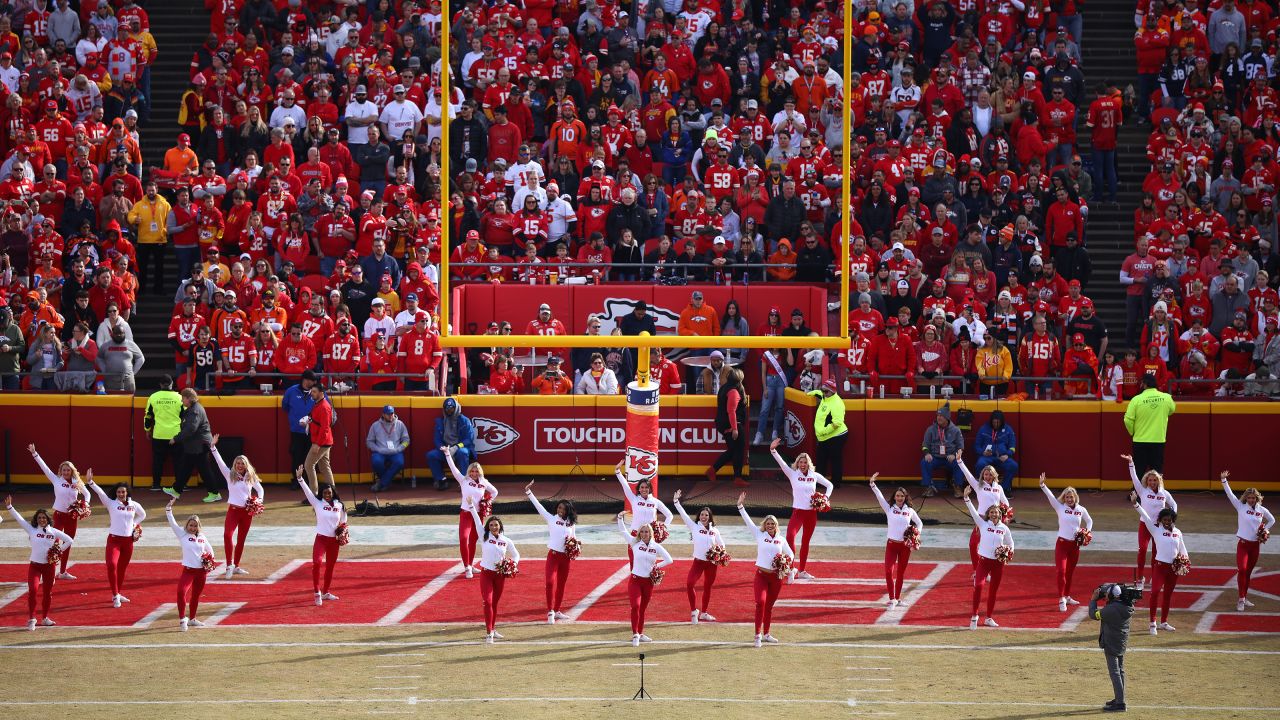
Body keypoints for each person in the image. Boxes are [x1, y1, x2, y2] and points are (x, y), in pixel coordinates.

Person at [5, 495, 74, 630]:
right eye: (39, 518)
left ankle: (45, 618)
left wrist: (58, 550)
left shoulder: (54, 531)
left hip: (49, 567)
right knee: (33, 590)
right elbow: (20, 519)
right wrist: (10, 507)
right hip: (35, 566)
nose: (42, 519)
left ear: (48, 519)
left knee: (47, 593)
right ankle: (31, 619)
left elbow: (70, 540)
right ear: (36, 519)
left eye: (44, 517)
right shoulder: (31, 529)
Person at [769, 438, 833, 581]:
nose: (803, 464)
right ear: (797, 463)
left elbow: (830, 485)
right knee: (790, 537)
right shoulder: (793, 474)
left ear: (808, 464)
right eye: (800, 462)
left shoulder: (814, 476)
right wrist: (773, 450)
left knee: (806, 541)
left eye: (805, 462)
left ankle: (802, 570)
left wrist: (824, 498)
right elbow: (782, 463)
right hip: (798, 512)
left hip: (811, 513)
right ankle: (791, 569)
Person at [737, 491, 796, 647]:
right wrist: (740, 506)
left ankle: (767, 633)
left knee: (769, 606)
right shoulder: (759, 534)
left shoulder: (781, 539)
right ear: (765, 525)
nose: (770, 526)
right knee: (760, 603)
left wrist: (786, 563)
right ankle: (757, 635)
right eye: (768, 523)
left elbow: (790, 554)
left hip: (776, 577)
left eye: (773, 524)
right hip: (762, 575)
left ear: (776, 526)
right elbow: (748, 522)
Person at [28, 443, 89, 579]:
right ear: (61, 471)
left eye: (68, 470)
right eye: (64, 470)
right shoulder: (56, 480)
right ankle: (48, 569)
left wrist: (85, 504)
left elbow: (87, 494)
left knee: (68, 543)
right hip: (58, 516)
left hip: (72, 517)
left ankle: (62, 572)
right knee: (53, 542)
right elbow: (45, 468)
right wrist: (35, 454)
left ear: (72, 471)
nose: (66, 472)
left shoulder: (76, 482)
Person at [85, 471, 145, 608]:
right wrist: (90, 482)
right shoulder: (111, 503)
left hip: (128, 542)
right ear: (116, 493)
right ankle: (115, 595)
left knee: (122, 569)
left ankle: (118, 592)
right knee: (112, 565)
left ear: (127, 492)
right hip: (114, 541)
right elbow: (101, 493)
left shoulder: (134, 505)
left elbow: (143, 514)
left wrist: (134, 525)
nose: (121, 494)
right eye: (119, 492)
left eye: (123, 492)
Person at [1132, 494, 1188, 635]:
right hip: (1160, 567)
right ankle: (1152, 623)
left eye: (1169, 520)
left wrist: (1185, 562)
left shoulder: (1178, 533)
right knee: (1155, 592)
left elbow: (1183, 549)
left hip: (1173, 569)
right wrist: (1136, 504)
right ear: (1160, 520)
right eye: (1164, 520)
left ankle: (1164, 622)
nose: (1167, 522)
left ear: (1173, 519)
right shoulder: (1156, 530)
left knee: (1168, 595)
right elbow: (1144, 515)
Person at [524, 480, 578, 624]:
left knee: (561, 585)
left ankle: (557, 610)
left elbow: (574, 539)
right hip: (553, 556)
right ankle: (550, 611)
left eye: (563, 508)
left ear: (567, 510)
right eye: (559, 507)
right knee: (549, 582)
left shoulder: (571, 524)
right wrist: (529, 492)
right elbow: (539, 506)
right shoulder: (551, 518)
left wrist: (576, 548)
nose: (560, 510)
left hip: (565, 558)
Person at [211, 435, 264, 579]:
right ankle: (229, 565)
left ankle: (237, 566)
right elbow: (219, 462)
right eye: (238, 463)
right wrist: (213, 447)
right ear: (235, 464)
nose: (240, 465)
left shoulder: (250, 476)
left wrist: (258, 501)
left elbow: (260, 490)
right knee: (227, 535)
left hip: (247, 512)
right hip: (233, 511)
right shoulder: (229, 475)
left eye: (242, 463)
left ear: (246, 465)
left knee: (241, 540)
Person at [1221, 471, 1275, 611]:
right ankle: (1240, 599)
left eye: (1253, 498)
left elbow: (1272, 520)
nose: (1251, 500)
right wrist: (1224, 480)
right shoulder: (1241, 506)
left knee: (1248, 572)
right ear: (1246, 498)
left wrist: (1265, 531)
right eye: (1249, 497)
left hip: (1255, 546)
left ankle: (1244, 597)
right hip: (1243, 545)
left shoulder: (1262, 510)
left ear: (1257, 498)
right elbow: (1230, 495)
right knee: (1242, 570)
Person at [468, 497, 520, 643]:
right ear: (488, 527)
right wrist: (471, 505)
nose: (493, 527)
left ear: (500, 526)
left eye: (496, 525)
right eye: (491, 525)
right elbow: (477, 521)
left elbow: (516, 554)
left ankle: (492, 628)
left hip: (500, 575)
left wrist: (513, 564)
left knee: (495, 603)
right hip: (486, 574)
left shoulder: (506, 540)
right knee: (488, 602)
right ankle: (489, 633)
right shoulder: (484, 536)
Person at [963, 483, 1014, 629]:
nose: (994, 514)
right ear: (988, 514)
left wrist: (1009, 552)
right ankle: (974, 616)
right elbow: (973, 511)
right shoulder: (982, 524)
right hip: (984, 562)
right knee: (978, 586)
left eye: (996, 512)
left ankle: (989, 618)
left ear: (1000, 514)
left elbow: (1010, 542)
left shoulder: (1004, 528)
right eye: (991, 512)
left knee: (993, 591)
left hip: (998, 563)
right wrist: (966, 498)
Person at [618, 510, 673, 647]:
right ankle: (635, 634)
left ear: (650, 533)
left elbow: (669, 560)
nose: (643, 534)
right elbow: (623, 532)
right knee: (635, 606)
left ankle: (641, 633)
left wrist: (656, 566)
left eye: (646, 532)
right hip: (635, 581)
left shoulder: (656, 546)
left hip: (648, 582)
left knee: (642, 609)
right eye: (641, 532)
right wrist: (620, 518)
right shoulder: (635, 543)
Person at [1040, 474, 1094, 611]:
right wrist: (1043, 485)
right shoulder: (1060, 507)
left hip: (1075, 546)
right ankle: (1061, 598)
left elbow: (1089, 520)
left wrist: (1086, 532)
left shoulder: (1081, 509)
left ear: (1075, 497)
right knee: (1061, 571)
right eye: (1067, 497)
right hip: (1062, 544)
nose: (1070, 499)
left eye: (1072, 497)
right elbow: (1050, 497)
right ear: (1064, 498)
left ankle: (1068, 595)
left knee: (1070, 572)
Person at [869, 473, 923, 608]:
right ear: (894, 497)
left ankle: (897, 599)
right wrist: (872, 484)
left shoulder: (909, 510)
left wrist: (916, 535)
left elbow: (920, 523)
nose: (899, 498)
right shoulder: (889, 508)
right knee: (888, 571)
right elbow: (880, 497)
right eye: (897, 496)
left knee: (901, 573)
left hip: (905, 546)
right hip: (892, 545)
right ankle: (892, 598)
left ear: (905, 497)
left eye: (902, 496)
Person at [673, 488, 725, 625]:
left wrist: (719, 554)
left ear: (710, 517)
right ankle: (693, 611)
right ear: (699, 516)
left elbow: (722, 545)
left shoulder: (715, 531)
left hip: (712, 564)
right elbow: (683, 514)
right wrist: (676, 501)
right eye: (702, 515)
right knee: (690, 584)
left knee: (708, 587)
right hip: (698, 562)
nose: (704, 517)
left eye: (706, 515)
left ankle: (705, 613)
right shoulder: (694, 526)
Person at [1124, 453, 1177, 588]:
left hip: (1159, 527)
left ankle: (1156, 576)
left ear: (1158, 480)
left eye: (1154, 480)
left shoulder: (1164, 493)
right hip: (1145, 525)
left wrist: (1172, 518)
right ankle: (1140, 578)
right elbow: (1134, 478)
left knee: (1157, 552)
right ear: (1147, 481)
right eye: (1150, 480)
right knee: (1142, 550)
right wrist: (1131, 462)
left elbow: (1174, 504)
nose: (1152, 482)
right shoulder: (1142, 491)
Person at [163, 498, 216, 632]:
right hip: (188, 571)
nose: (192, 528)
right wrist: (169, 509)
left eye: (195, 526)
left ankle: (192, 619)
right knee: (181, 592)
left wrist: (209, 561)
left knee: (196, 595)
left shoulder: (203, 537)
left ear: (198, 526)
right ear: (187, 525)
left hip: (201, 572)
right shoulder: (182, 534)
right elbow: (172, 523)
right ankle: (182, 619)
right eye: (190, 525)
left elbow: (211, 551)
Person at [446, 449, 499, 579]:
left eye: (476, 471)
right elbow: (453, 468)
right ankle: (467, 567)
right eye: (472, 471)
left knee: (474, 541)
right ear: (469, 471)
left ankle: (470, 564)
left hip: (478, 516)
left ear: (479, 472)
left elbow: (495, 492)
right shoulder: (463, 480)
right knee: (464, 539)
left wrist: (487, 501)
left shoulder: (483, 482)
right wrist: (448, 453)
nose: (474, 473)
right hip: (465, 514)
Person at [297, 469, 346, 606]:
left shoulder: (339, 505)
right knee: (317, 563)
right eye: (325, 493)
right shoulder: (317, 503)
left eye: (329, 492)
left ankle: (326, 592)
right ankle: (317, 592)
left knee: (330, 566)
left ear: (333, 492)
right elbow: (308, 492)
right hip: (321, 539)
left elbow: (343, 519)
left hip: (334, 541)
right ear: (322, 494)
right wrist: (300, 479)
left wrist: (343, 529)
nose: (327, 495)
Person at [166, 388, 223, 503]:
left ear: (188, 398)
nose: (182, 401)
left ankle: (215, 493)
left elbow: (191, 428)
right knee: (186, 468)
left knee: (204, 470)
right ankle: (176, 490)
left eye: (183, 399)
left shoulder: (194, 410)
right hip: (196, 445)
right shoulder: (194, 408)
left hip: (199, 446)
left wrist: (176, 439)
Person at [959, 450, 1012, 570]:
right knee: (973, 545)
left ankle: (994, 567)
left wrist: (1005, 515)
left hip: (995, 521)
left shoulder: (999, 488)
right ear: (983, 475)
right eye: (985, 474)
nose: (987, 477)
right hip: (981, 520)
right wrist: (959, 461)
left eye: (990, 474)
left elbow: (1006, 503)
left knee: (994, 545)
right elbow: (968, 475)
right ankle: (977, 570)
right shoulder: (979, 486)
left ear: (994, 475)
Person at [615, 458, 675, 562]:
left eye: (646, 487)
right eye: (642, 487)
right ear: (639, 489)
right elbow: (625, 485)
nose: (644, 489)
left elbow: (670, 515)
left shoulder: (656, 502)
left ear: (650, 489)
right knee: (633, 562)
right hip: (635, 535)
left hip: (649, 536)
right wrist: (618, 471)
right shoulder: (634, 499)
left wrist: (663, 528)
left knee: (649, 563)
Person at [1089, 583, 1137, 713]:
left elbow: (1094, 615)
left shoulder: (1110, 610)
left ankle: (1120, 703)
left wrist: (1093, 600)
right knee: (1120, 671)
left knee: (1115, 672)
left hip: (1111, 642)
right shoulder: (1128, 606)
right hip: (1121, 641)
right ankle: (1119, 698)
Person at [1123, 372, 1176, 476]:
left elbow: (1127, 420)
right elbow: (1172, 410)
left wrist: (1132, 432)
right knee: (1157, 472)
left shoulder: (1136, 400)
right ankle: (1157, 492)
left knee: (1138, 471)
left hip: (1140, 440)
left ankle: (1136, 492)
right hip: (1158, 440)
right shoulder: (1166, 398)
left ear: (1144, 384)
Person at [707, 368, 748, 486]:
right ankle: (738, 478)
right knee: (739, 450)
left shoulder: (724, 388)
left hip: (724, 423)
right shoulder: (734, 391)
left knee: (732, 450)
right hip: (732, 424)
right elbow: (731, 411)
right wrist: (734, 428)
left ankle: (712, 470)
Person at [427, 397, 476, 491]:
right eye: (447, 408)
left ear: (456, 407)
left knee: (463, 453)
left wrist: (456, 447)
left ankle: (464, 482)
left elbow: (469, 439)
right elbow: (437, 439)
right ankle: (441, 480)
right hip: (446, 449)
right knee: (431, 455)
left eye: (451, 408)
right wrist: (443, 448)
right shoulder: (440, 422)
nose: (449, 410)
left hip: (459, 448)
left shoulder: (464, 420)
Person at [143, 375, 182, 492]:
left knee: (158, 461)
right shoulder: (179, 397)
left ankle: (156, 485)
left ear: (160, 384)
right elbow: (185, 416)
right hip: (176, 435)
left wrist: (147, 429)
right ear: (172, 384)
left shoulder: (153, 397)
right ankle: (180, 485)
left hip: (159, 434)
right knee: (178, 461)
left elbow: (148, 415)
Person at [810, 378, 848, 486]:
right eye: (823, 390)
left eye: (826, 391)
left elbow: (837, 423)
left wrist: (823, 431)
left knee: (835, 459)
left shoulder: (837, 403)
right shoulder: (824, 396)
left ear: (833, 391)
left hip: (837, 436)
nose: (823, 393)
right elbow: (818, 393)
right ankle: (819, 482)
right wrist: (810, 393)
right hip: (824, 436)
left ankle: (836, 483)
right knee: (821, 459)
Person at [920, 403, 964, 497]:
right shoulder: (930, 429)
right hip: (935, 457)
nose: (938, 418)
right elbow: (925, 445)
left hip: (950, 457)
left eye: (941, 416)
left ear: (947, 418)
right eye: (938, 415)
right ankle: (928, 487)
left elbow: (961, 447)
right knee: (924, 462)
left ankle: (958, 487)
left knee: (959, 463)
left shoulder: (956, 430)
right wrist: (927, 453)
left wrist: (955, 455)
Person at [281, 369, 318, 478]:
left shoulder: (318, 391)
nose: (314, 383)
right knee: (296, 457)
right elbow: (285, 407)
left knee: (311, 458)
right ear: (306, 380)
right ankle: (296, 481)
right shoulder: (291, 391)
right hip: (296, 431)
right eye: (312, 381)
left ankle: (309, 481)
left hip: (313, 431)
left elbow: (326, 406)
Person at [299, 383, 335, 495]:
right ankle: (333, 493)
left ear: (321, 393)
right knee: (324, 467)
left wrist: (317, 444)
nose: (312, 394)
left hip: (321, 442)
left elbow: (325, 428)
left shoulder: (324, 407)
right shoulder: (319, 404)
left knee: (309, 465)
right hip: (324, 441)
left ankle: (313, 494)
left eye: (314, 392)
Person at [366, 404, 410, 492]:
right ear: (383, 414)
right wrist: (378, 449)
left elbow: (406, 441)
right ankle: (386, 482)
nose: (390, 415)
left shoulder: (400, 424)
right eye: (388, 414)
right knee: (376, 461)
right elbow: (369, 442)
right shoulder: (375, 425)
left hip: (396, 451)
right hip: (380, 452)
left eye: (392, 413)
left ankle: (381, 483)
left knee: (400, 462)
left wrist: (399, 449)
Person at [973, 409, 1018, 494]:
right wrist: (982, 452)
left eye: (998, 423)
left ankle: (1004, 489)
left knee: (1013, 465)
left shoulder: (1008, 429)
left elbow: (1012, 447)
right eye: (994, 422)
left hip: (1002, 457)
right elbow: (976, 446)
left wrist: (1008, 455)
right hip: (986, 457)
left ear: (1002, 422)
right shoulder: (983, 429)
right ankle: (982, 488)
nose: (996, 425)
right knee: (980, 464)